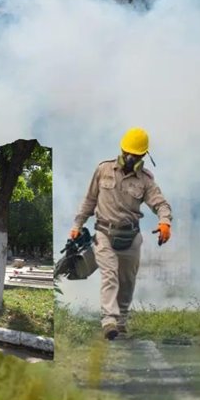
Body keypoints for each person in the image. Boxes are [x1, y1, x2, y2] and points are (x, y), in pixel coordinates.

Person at [70, 127, 172, 340]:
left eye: (135, 155)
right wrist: (78, 224)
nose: (129, 157)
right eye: (127, 152)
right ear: (121, 149)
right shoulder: (103, 170)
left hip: (131, 236)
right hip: (103, 233)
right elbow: (89, 200)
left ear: (143, 156)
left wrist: (165, 223)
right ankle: (108, 320)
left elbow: (160, 204)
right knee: (110, 275)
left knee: (127, 280)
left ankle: (121, 320)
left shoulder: (146, 180)